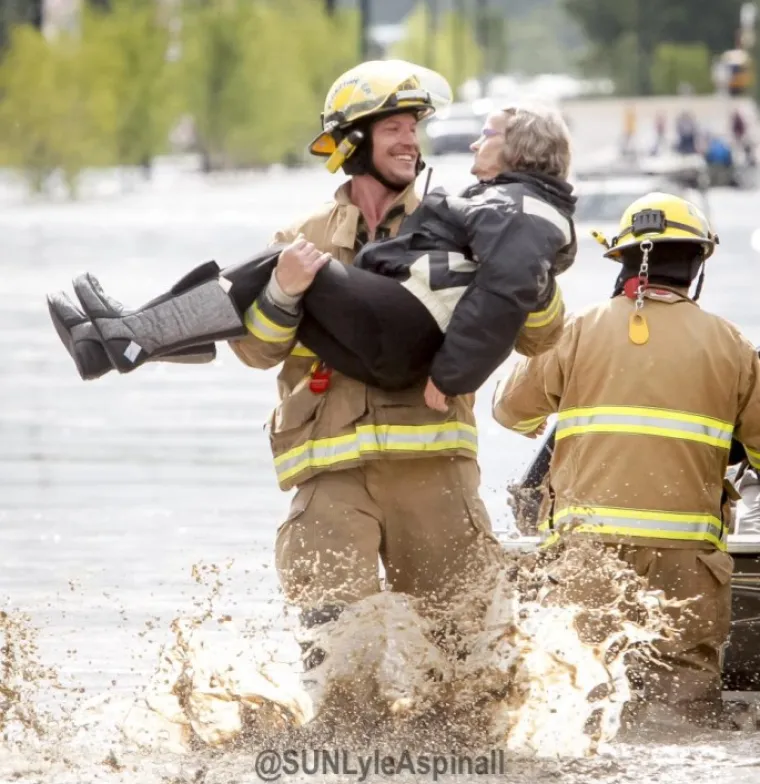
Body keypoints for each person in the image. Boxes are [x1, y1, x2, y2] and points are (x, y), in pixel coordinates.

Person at [48, 60, 577, 675]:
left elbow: (540, 339)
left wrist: (529, 272)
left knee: (467, 673)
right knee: (336, 676)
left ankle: (131, 337)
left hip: (435, 473)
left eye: (415, 129)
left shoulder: (464, 216)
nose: (412, 142)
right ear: (355, 141)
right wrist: (284, 293)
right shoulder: (303, 234)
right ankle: (136, 336)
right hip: (330, 477)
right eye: (395, 129)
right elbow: (256, 349)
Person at [491, 192, 760, 725]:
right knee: (682, 715)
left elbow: (509, 414)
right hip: (686, 562)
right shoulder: (732, 347)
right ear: (698, 262)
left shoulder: (578, 331)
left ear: (622, 261)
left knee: (583, 698)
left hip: (590, 558)